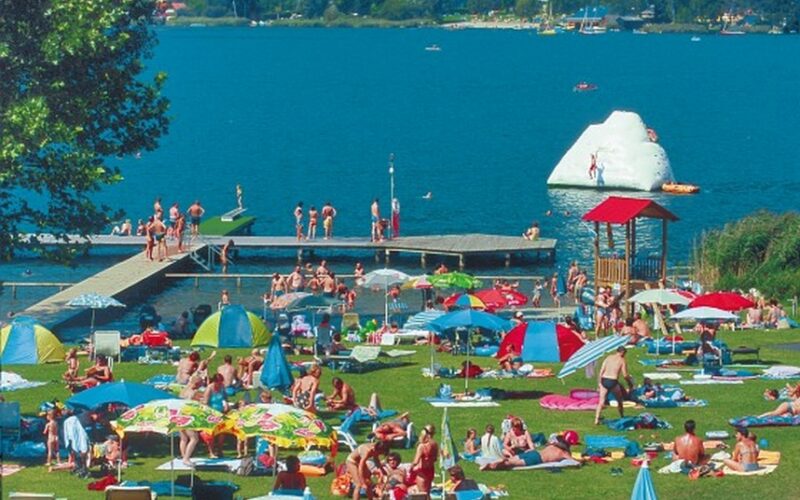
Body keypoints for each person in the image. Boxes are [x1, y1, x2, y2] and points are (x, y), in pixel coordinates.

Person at [594, 346, 634, 425]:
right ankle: (622, 416)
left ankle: (596, 419)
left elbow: (601, 371)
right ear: (622, 352)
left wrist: (599, 383)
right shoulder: (622, 360)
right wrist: (630, 384)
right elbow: (625, 375)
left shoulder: (608, 357)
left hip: (604, 380)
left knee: (601, 401)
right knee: (619, 400)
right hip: (613, 381)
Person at [481, 437, 573, 470]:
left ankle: (493, 462)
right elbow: (573, 461)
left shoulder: (551, 446)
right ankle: (491, 466)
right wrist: (583, 461)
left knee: (512, 459)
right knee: (511, 464)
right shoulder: (563, 453)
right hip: (537, 458)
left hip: (533, 452)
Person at [411, 424, 438, 495]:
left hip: (422, 471)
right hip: (431, 470)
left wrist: (410, 468)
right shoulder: (435, 444)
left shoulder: (422, 446)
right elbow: (435, 459)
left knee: (422, 494)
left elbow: (416, 461)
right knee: (428, 493)